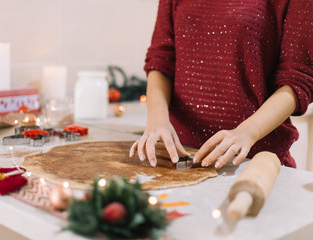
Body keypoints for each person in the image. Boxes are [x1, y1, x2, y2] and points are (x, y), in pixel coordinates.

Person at [129, 0, 313, 169]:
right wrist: (157, 118)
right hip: (180, 159)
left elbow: (298, 79)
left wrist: (248, 131)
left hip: (254, 165)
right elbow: (161, 60)